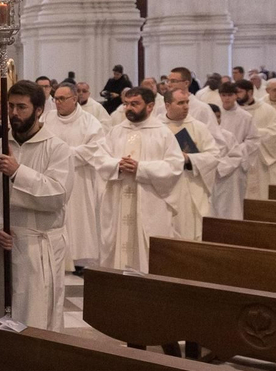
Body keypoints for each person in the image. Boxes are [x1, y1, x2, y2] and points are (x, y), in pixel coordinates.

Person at [0, 81, 73, 330]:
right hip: (3, 243)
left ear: (39, 110)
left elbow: (58, 195)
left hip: (37, 249)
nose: (14, 113)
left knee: (34, 318)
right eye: (10, 107)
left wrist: (18, 172)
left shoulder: (57, 148)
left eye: (21, 107)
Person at [92, 88, 183, 272]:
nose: (128, 108)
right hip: (118, 201)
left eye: (135, 104)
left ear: (150, 106)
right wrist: (118, 165)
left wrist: (140, 168)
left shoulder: (162, 133)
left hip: (150, 204)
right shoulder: (116, 131)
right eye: (126, 104)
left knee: (147, 254)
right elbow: (99, 159)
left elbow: (174, 166)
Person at [41, 81, 104, 274]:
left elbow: (95, 149)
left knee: (79, 218)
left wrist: (62, 154)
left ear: (75, 99)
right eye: (55, 98)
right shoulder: (47, 118)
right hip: (51, 176)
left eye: (62, 98)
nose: (57, 102)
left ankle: (79, 260)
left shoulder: (90, 122)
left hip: (79, 178)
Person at [162, 87, 221, 241]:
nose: (186, 106)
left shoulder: (198, 127)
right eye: (180, 103)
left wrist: (189, 158)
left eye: (187, 102)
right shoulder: (157, 127)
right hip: (165, 188)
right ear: (167, 105)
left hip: (190, 187)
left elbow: (214, 155)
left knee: (190, 231)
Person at [210, 80, 256, 219]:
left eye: (230, 95)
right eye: (223, 95)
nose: (226, 98)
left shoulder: (245, 116)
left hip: (235, 167)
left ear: (236, 96)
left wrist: (235, 148)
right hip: (215, 165)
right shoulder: (214, 114)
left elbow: (253, 140)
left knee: (232, 206)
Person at [237, 79, 276, 202]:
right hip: (238, 160)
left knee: (260, 194)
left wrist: (255, 135)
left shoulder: (266, 109)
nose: (237, 95)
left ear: (250, 92)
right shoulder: (232, 111)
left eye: (240, 92)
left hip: (260, 159)